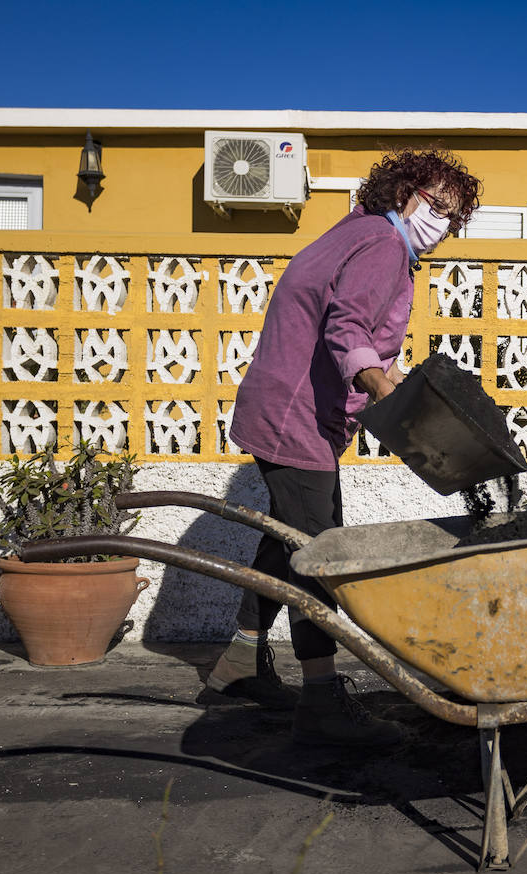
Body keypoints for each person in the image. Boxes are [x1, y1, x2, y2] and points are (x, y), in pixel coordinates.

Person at [203, 149, 482, 747]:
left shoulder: (354, 231)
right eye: (435, 205)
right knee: (317, 550)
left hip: (288, 408)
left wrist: (391, 381)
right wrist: (380, 384)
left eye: (452, 217)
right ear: (404, 193)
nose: (441, 222)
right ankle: (323, 697)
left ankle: (238, 664)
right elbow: (347, 327)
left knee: (287, 536)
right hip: (295, 417)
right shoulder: (382, 245)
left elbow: (345, 324)